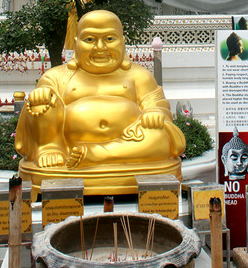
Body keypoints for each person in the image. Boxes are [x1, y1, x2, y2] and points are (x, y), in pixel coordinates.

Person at [15, 10, 186, 191]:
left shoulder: (138, 76)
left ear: (123, 42)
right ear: (76, 44)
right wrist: (42, 96)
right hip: (66, 145)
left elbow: (157, 104)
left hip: (130, 142)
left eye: (109, 39)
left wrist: (154, 113)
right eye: (90, 39)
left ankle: (95, 155)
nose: (99, 47)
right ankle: (50, 149)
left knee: (159, 137)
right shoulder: (56, 77)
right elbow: (37, 112)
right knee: (42, 101)